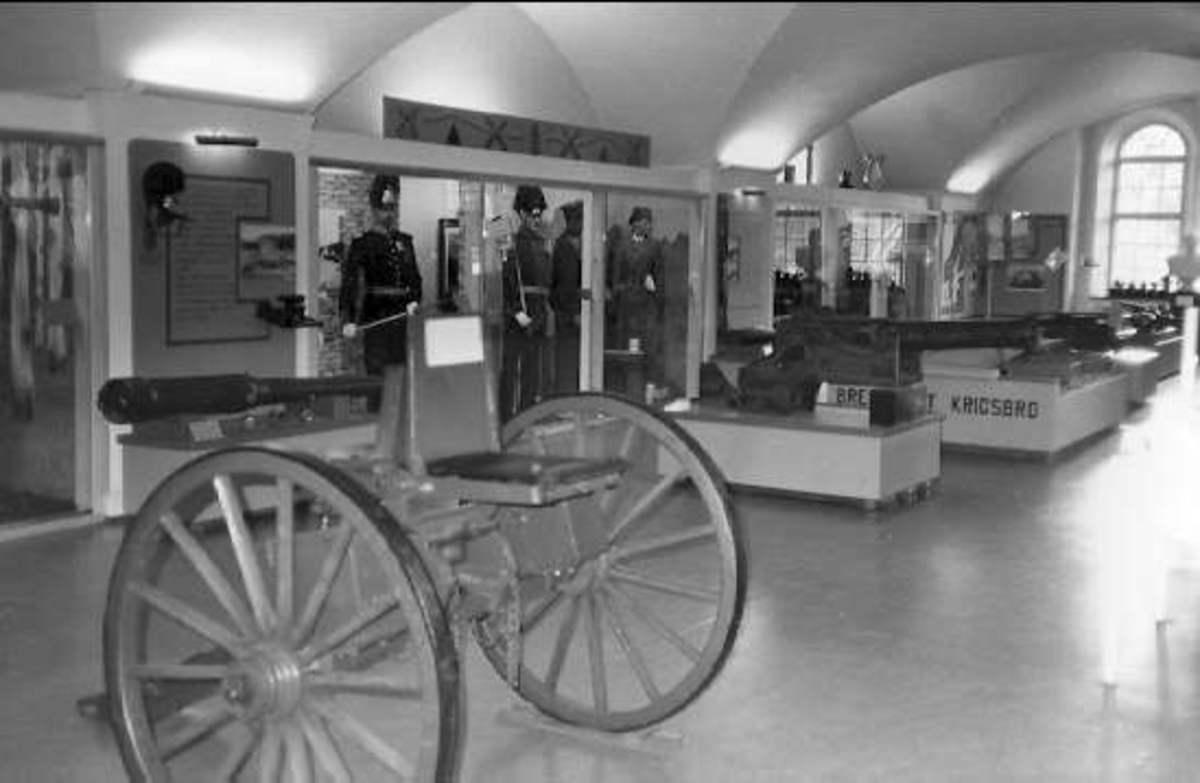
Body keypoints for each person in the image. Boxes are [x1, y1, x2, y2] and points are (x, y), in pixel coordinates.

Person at [339, 174, 422, 375]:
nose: (388, 214)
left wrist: (415, 299)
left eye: (391, 209)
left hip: (403, 319)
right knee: (378, 376)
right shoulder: (362, 244)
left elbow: (415, 278)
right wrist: (348, 319)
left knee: (403, 375)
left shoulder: (405, 242)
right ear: (374, 210)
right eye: (383, 209)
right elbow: (350, 283)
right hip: (376, 317)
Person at [500, 184, 554, 419]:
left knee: (533, 367)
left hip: (538, 310)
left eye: (539, 214)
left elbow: (547, 280)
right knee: (511, 366)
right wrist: (515, 310)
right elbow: (507, 279)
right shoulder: (511, 242)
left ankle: (527, 413)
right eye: (533, 214)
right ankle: (506, 416)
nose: (537, 219)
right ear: (522, 213)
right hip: (519, 312)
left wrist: (545, 310)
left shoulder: (543, 242)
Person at [607, 205, 665, 391]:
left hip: (646, 307)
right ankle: (622, 389)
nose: (648, 226)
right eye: (645, 221)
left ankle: (647, 389)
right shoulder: (621, 245)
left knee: (648, 349)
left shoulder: (655, 246)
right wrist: (620, 294)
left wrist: (654, 287)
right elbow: (615, 278)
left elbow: (659, 277)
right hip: (626, 307)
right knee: (625, 348)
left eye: (650, 222)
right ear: (635, 223)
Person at [550, 201, 584, 394]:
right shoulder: (564, 246)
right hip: (567, 314)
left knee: (572, 359)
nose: (581, 225)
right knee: (567, 360)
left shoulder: (574, 244)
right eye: (578, 220)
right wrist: (573, 313)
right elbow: (566, 285)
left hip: (570, 312)